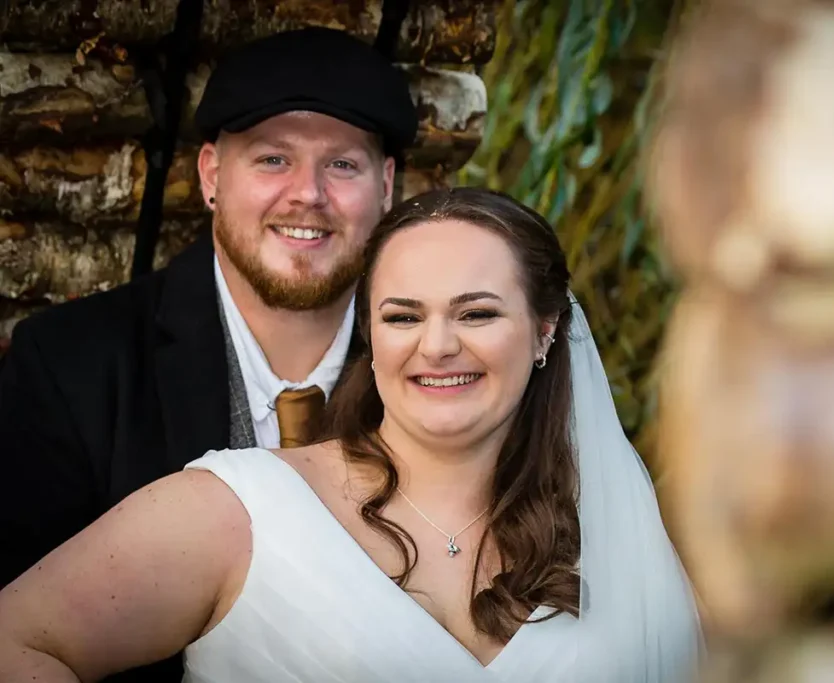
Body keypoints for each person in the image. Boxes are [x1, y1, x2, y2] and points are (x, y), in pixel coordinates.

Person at [0, 187, 701, 682]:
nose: (437, 345)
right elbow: (16, 639)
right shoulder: (240, 509)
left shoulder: (615, 531)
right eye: (402, 316)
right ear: (372, 332)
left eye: (478, 313)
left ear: (546, 331)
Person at [0, 25, 416, 683]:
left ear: (387, 186)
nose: (308, 193)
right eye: (273, 158)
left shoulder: (437, 373)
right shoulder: (71, 366)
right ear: (212, 176)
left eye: (342, 163)